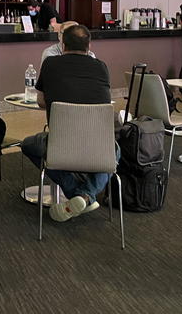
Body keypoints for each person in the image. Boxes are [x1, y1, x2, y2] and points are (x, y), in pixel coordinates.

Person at [20, 24, 113, 223]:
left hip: (60, 145)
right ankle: (86, 196)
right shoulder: (101, 67)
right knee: (114, 153)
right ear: (89, 46)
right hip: (97, 146)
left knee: (28, 145)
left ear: (63, 44)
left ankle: (75, 191)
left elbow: (41, 102)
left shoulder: (51, 64)